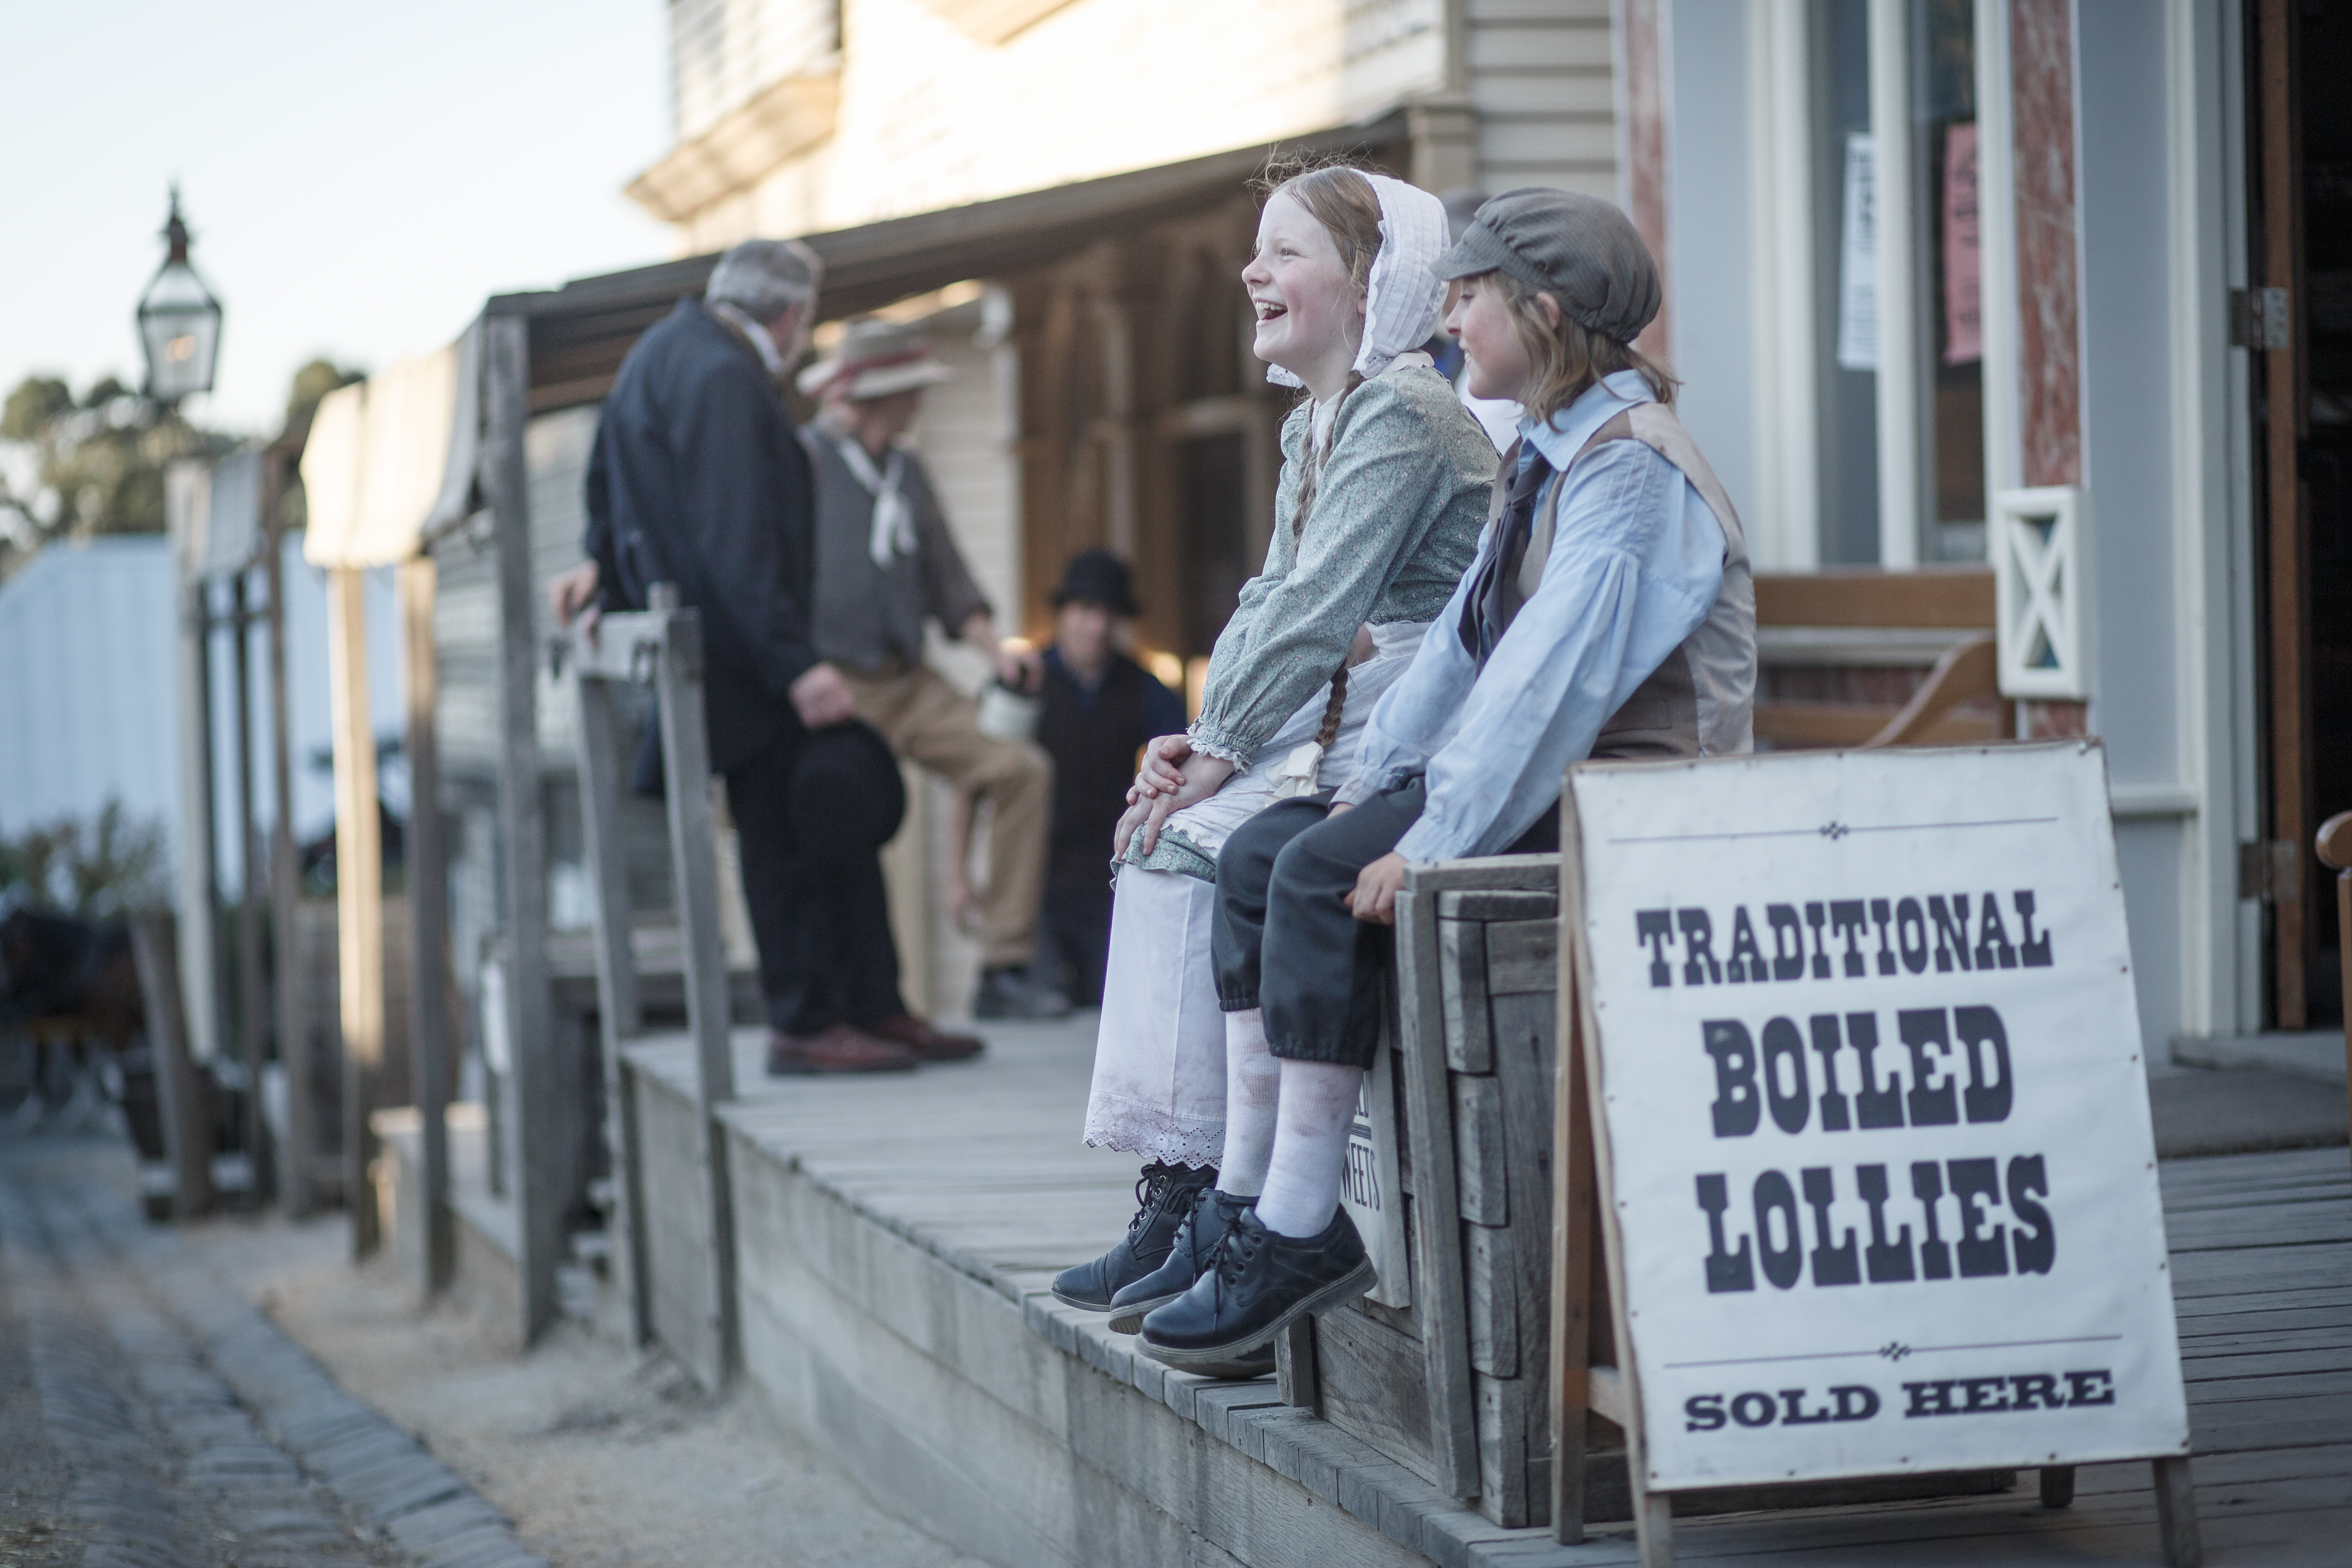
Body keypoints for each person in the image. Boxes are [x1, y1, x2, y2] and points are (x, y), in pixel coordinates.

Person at [1134, 188, 1758, 1370]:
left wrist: (1424, 840)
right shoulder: (1551, 450)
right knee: (1270, 852)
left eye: (1471, 295)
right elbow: (1467, 656)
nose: (1452, 316)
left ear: (1549, 311)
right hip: (1561, 788)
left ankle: (1302, 1224)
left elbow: (1550, 690)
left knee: (1319, 873)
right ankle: (1257, 1201)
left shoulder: (1629, 474)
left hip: (1639, 812)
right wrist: (1371, 788)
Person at [1048, 165, 1494, 1368]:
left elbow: (1319, 609)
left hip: (1409, 732)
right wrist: (1198, 738)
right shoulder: (1319, 420)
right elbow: (1265, 606)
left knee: (1200, 845)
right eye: (1256, 250)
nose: (1255, 272)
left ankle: (1233, 1199)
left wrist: (1226, 745)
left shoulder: (1403, 415)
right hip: (1338, 720)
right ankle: (1191, 1186)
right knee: (1158, 835)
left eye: (1286, 251)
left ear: (1372, 286)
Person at [549, 239, 980, 1076]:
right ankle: (807, 1023)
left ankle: (871, 1006)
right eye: (805, 320)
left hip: (725, 643)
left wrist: (604, 566)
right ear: (789, 315)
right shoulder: (722, 375)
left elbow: (608, 488)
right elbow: (736, 535)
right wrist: (796, 664)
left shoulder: (656, 354)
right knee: (787, 837)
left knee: (827, 815)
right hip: (744, 651)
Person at [796, 318, 1068, 1022]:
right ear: (878, 396)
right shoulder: (805, 464)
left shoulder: (907, 472)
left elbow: (948, 579)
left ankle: (1003, 967)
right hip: (835, 683)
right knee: (839, 822)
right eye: (910, 389)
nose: (919, 401)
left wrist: (993, 652)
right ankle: (840, 994)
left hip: (908, 681)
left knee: (1019, 770)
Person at [1023, 550, 1187, 1007]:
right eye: (1085, 611)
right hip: (1038, 883)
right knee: (1035, 1006)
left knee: (1113, 1003)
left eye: (1107, 615)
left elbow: (1184, 762)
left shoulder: (1144, 688)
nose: (1096, 627)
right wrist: (962, 877)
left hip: (1109, 879)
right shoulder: (1030, 682)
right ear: (1063, 614)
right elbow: (981, 782)